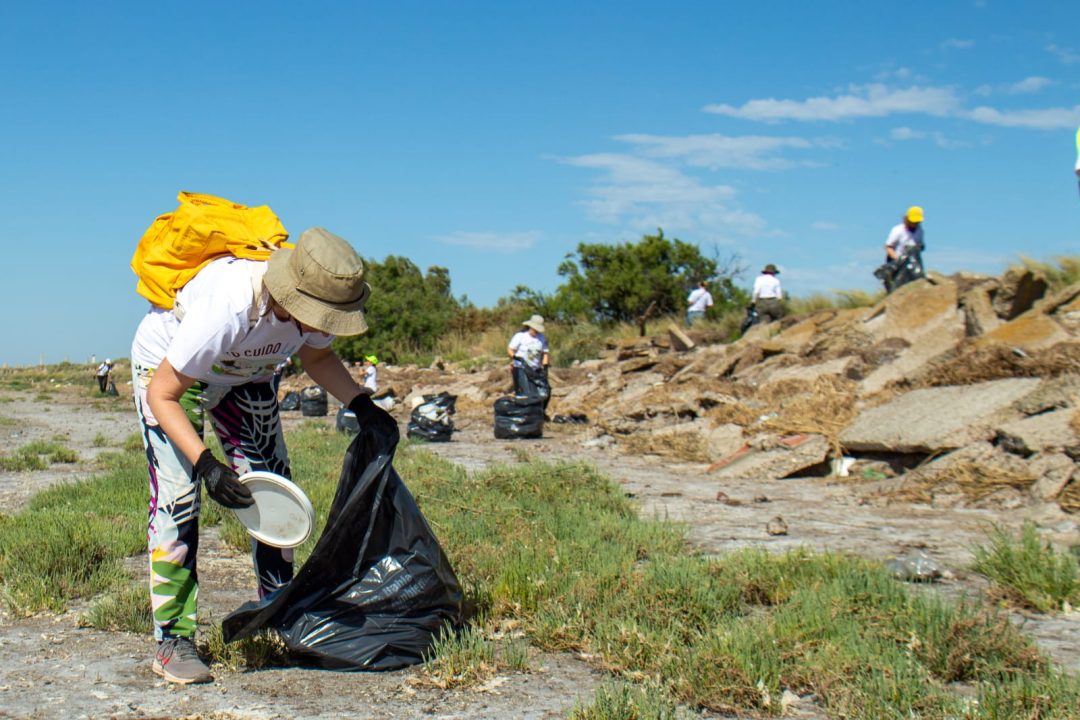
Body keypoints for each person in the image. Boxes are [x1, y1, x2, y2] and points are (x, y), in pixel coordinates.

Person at [130, 227, 394, 685]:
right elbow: (163, 393)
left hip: (243, 376)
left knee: (276, 487)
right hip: (170, 376)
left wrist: (361, 404)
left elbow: (318, 360)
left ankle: (279, 611)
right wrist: (206, 464)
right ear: (293, 299)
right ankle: (173, 639)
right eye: (324, 317)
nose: (328, 327)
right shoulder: (229, 309)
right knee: (179, 501)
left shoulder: (311, 308)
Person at [878, 205, 926, 292]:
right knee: (897, 285)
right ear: (907, 219)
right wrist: (898, 259)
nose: (915, 224)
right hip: (897, 260)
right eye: (913, 221)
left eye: (917, 222)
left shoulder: (920, 231)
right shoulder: (898, 230)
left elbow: (920, 245)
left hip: (913, 261)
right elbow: (888, 247)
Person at [508, 315, 550, 409]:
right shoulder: (520, 336)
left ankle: (539, 413)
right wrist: (516, 358)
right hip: (521, 368)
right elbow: (510, 349)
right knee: (526, 392)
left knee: (543, 391)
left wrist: (545, 368)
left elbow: (545, 354)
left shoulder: (542, 339)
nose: (536, 331)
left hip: (535, 369)